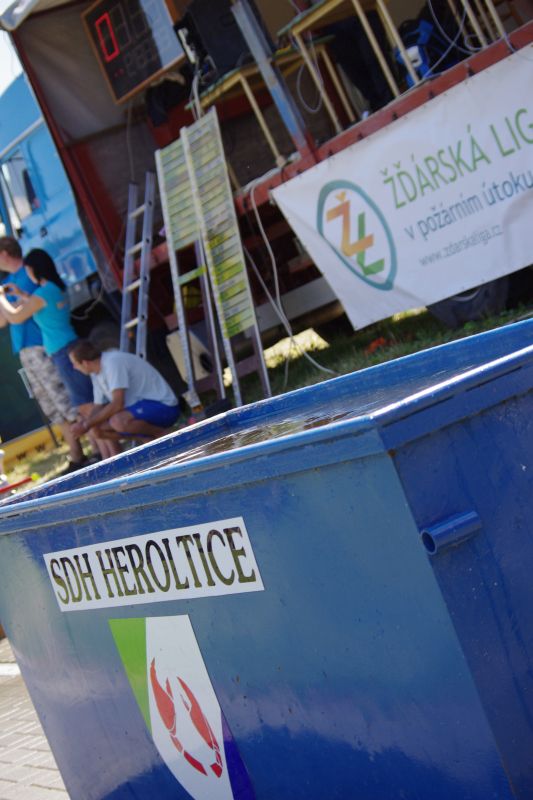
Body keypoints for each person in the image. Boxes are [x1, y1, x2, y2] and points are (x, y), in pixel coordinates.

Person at [0, 247, 119, 463]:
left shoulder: (43, 294)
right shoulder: (52, 289)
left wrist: (2, 298)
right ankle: (107, 454)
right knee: (86, 406)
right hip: (67, 347)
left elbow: (16, 317)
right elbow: (37, 303)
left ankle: (110, 454)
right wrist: (21, 295)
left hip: (62, 352)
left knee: (85, 407)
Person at [0, 237, 88, 472]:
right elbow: (3, 320)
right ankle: (77, 454)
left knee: (63, 398)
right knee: (51, 405)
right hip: (25, 350)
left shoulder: (29, 275)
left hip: (42, 345)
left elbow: (18, 314)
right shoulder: (9, 282)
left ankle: (94, 446)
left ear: (5, 253)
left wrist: (4, 300)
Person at [68, 340, 180, 442]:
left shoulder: (112, 363)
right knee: (96, 430)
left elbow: (118, 404)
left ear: (85, 363)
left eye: (75, 363)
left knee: (118, 422)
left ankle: (164, 434)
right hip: (143, 407)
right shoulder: (96, 372)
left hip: (165, 406)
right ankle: (147, 440)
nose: (74, 367)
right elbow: (98, 406)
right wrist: (86, 424)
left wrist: (86, 425)